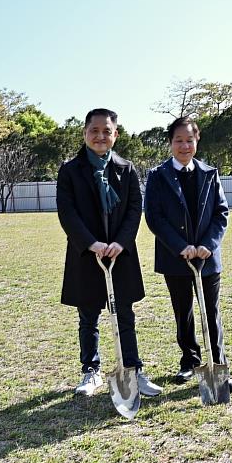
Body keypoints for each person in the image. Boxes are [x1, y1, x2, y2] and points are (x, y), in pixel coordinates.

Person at [56, 108, 162, 398]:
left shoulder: (126, 168)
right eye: (95, 130)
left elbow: (132, 211)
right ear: (85, 133)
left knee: (124, 315)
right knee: (88, 316)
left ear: (115, 135)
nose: (100, 136)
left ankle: (133, 369)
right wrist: (92, 244)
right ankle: (91, 371)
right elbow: (68, 213)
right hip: (86, 254)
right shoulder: (69, 170)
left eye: (107, 131)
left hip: (120, 255)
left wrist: (120, 242)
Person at [144, 116, 232, 392]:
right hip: (176, 259)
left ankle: (217, 364)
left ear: (197, 141)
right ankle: (190, 361)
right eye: (178, 140)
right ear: (170, 143)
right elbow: (155, 217)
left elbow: (221, 213)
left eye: (189, 140)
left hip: (207, 258)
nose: (184, 146)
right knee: (182, 312)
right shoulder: (157, 176)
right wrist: (179, 246)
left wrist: (208, 244)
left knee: (211, 313)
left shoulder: (210, 174)